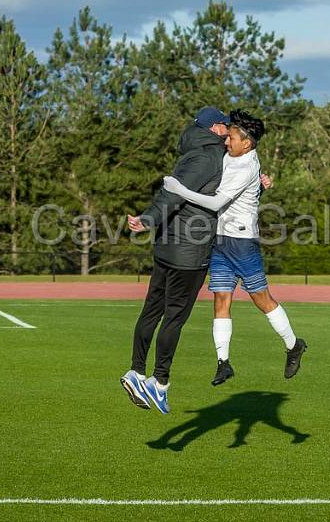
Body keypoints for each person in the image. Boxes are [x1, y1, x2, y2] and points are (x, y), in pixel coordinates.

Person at [163, 110, 306, 386]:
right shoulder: (232, 155)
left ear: (247, 144)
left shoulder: (247, 166)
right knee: (220, 299)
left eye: (231, 138)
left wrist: (179, 189)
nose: (226, 142)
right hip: (220, 240)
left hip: (242, 243)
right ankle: (223, 363)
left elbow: (217, 203)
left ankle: (293, 345)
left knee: (261, 299)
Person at [120, 106, 229, 415]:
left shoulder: (197, 151)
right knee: (174, 318)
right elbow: (174, 195)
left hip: (169, 247)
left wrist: (256, 184)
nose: (229, 130)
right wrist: (150, 218)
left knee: (152, 312)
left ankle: (136, 372)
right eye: (225, 125)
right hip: (188, 253)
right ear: (213, 128)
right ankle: (159, 381)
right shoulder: (209, 157)